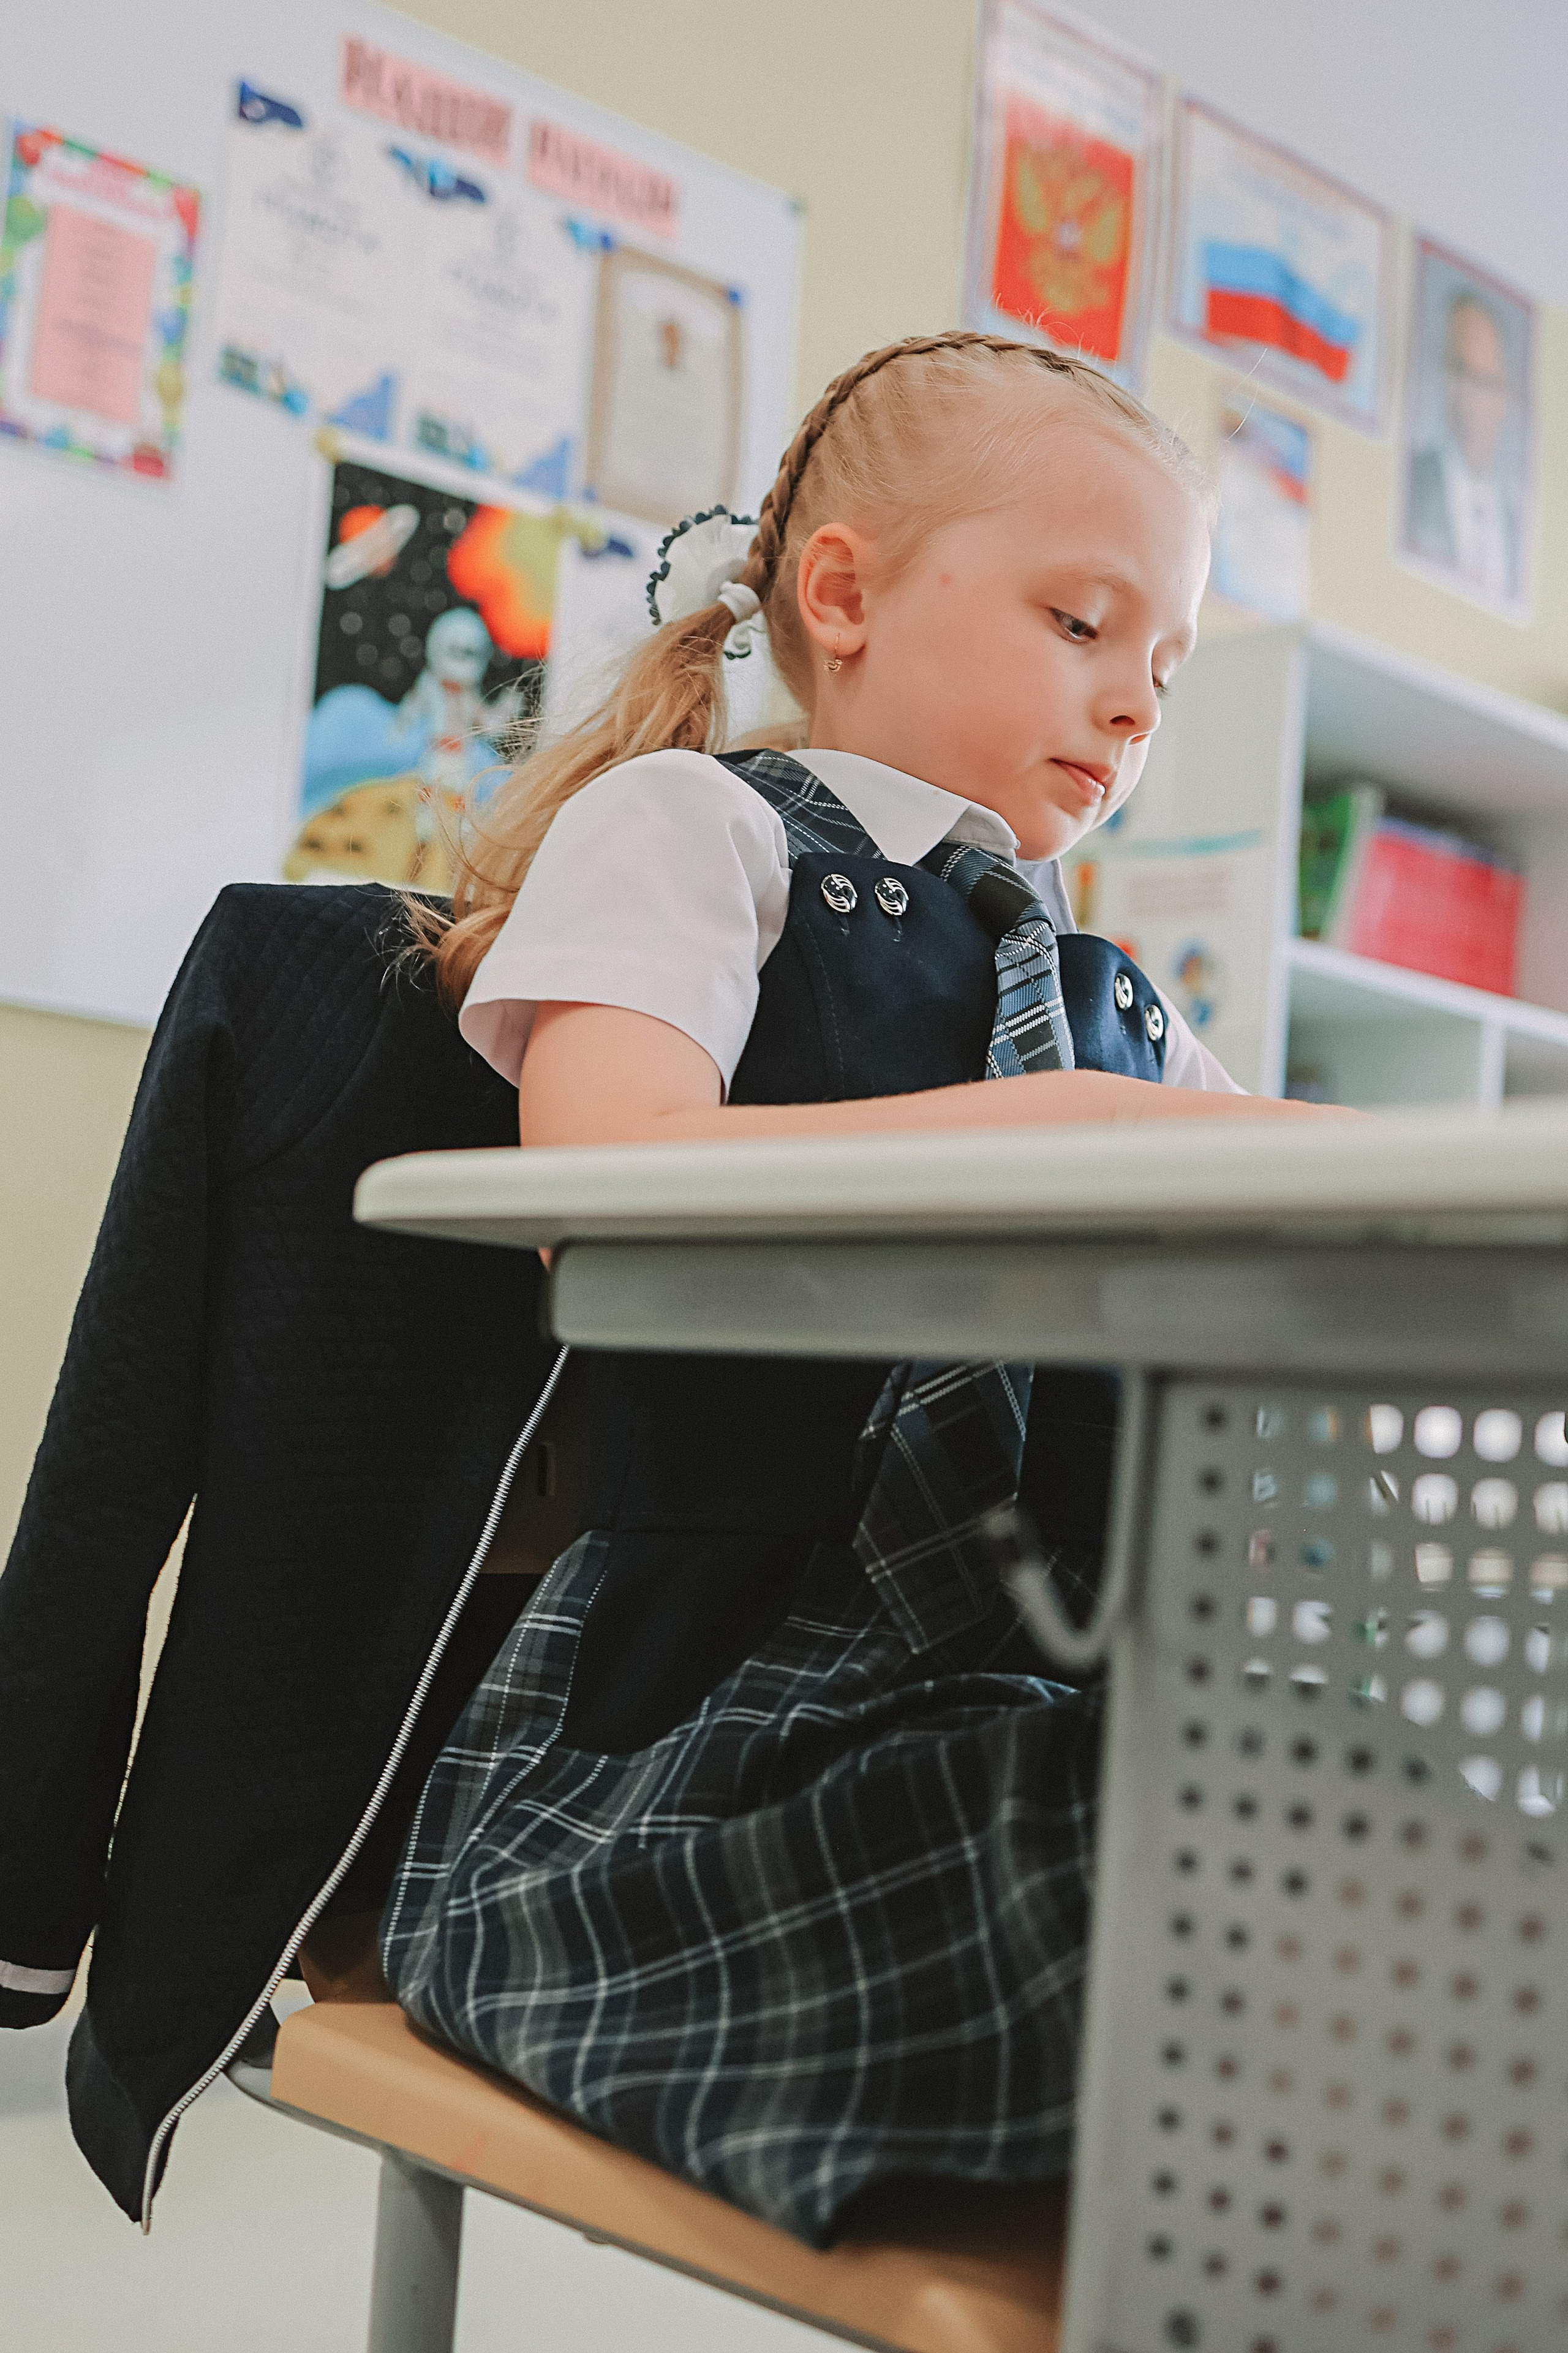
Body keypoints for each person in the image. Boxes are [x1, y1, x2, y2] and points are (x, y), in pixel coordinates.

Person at [388, 330, 1344, 2246]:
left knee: (1357, 1841)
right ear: (841, 590)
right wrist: (1060, 1127)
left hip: (1046, 1679)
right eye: (1083, 620)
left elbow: (1301, 1192)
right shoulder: (697, 831)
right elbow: (597, 1171)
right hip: (707, 1726)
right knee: (1114, 1864)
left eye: (1161, 667)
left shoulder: (1118, 998)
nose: (1130, 701)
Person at [1404, 289, 1521, 605]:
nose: (1469, 398)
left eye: (1484, 381)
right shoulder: (1408, 483)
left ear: (1507, 397)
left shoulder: (1521, 527)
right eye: (1458, 373)